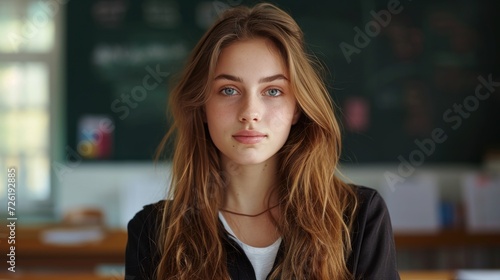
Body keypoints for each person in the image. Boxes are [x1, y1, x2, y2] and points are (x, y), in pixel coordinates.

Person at [125, 3, 399, 280]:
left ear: (297, 108)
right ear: (201, 107)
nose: (250, 113)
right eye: (229, 90)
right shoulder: (153, 232)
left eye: (273, 91)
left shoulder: (358, 217)